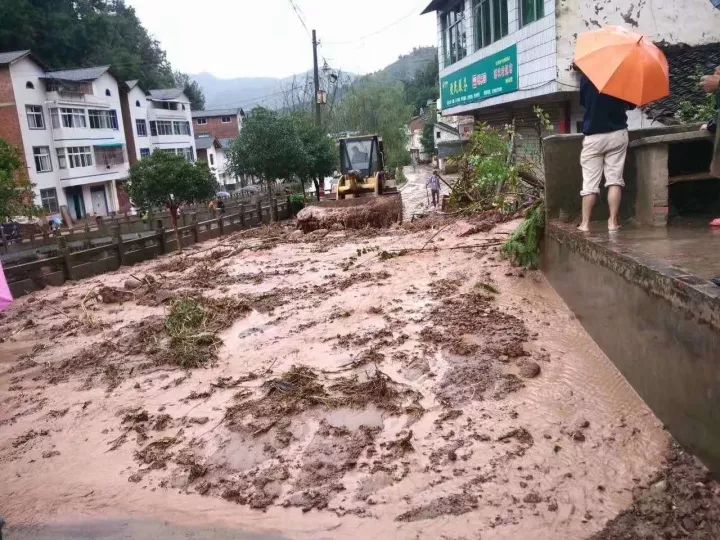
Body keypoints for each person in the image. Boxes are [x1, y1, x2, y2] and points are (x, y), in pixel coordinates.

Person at [577, 73, 635, 233]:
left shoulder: (587, 77)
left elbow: (584, 103)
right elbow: (631, 104)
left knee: (589, 184)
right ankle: (612, 221)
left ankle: (585, 223)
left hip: (593, 136)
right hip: (617, 133)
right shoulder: (621, 76)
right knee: (615, 179)